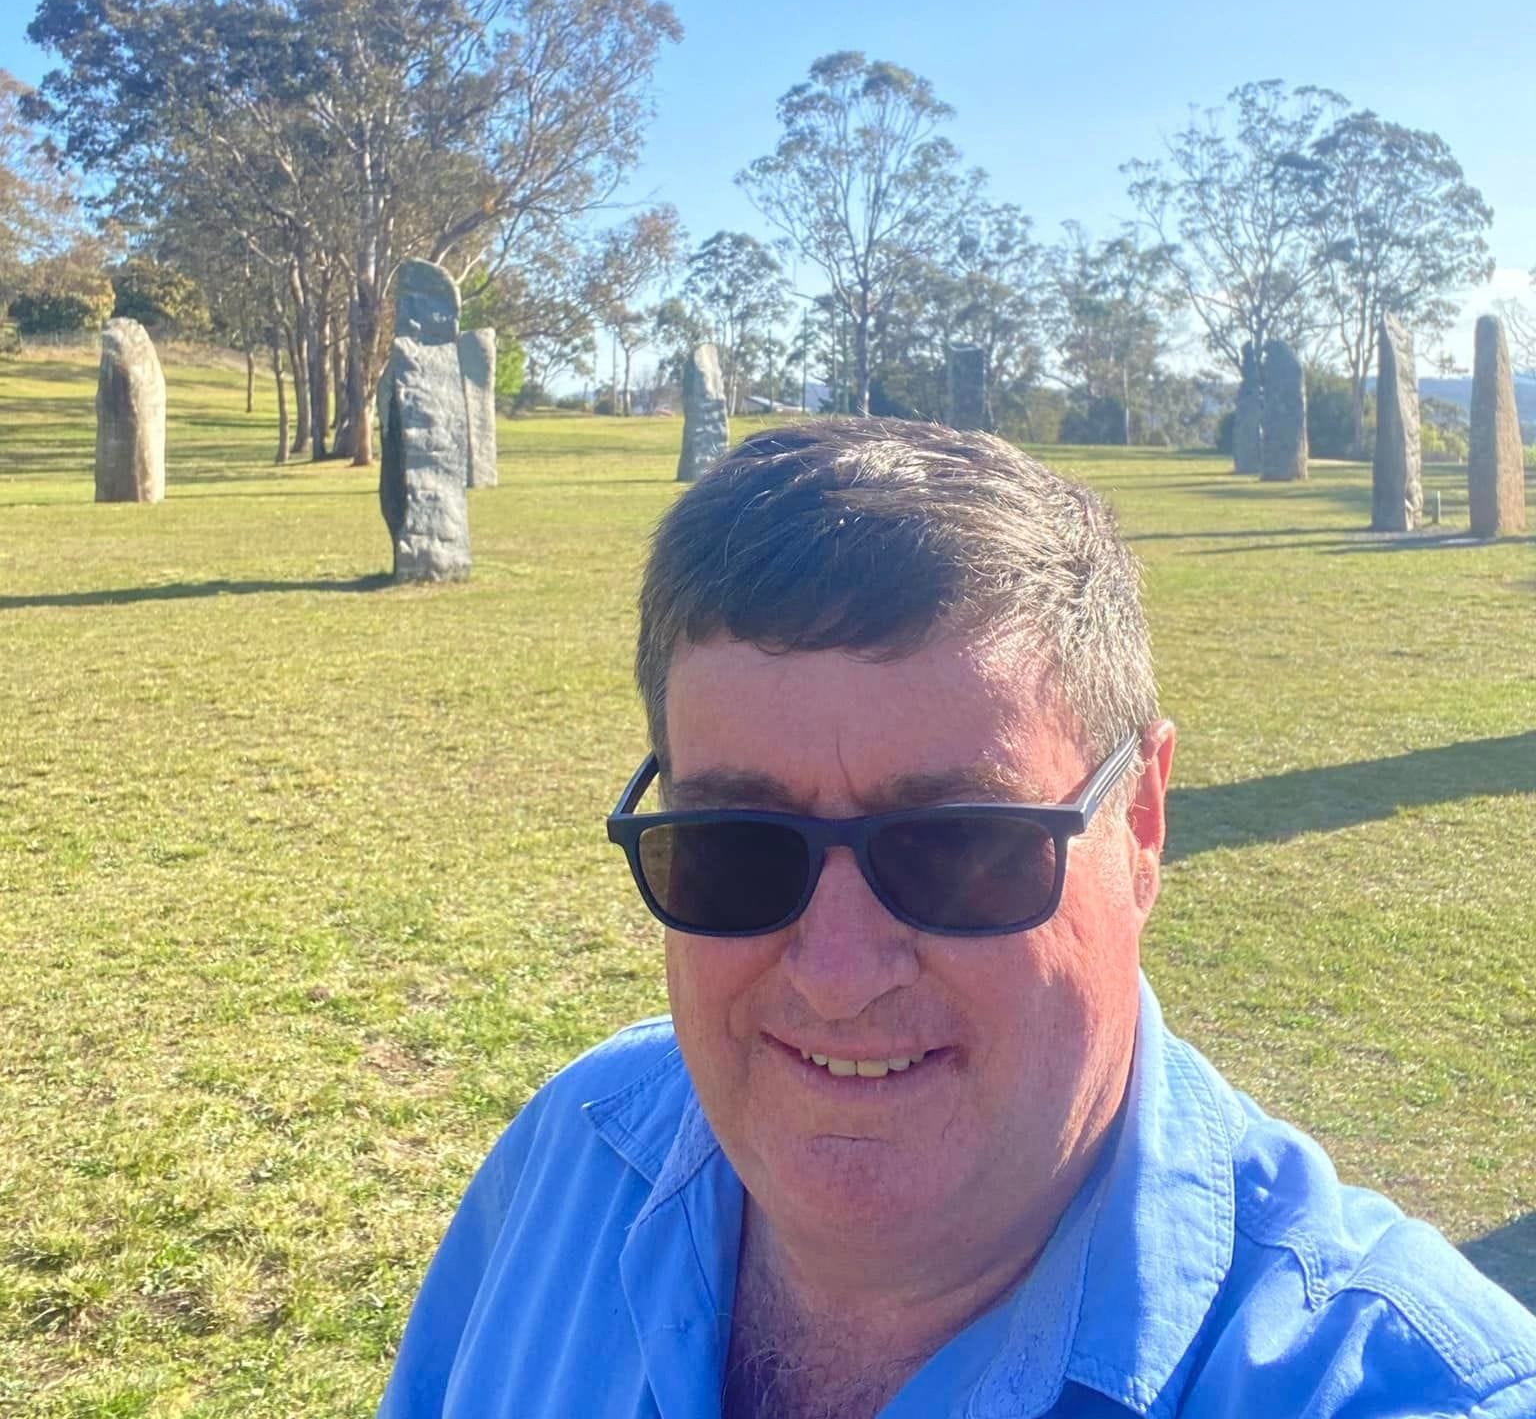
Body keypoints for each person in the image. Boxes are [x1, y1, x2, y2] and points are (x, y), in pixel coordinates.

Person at [377, 419, 1536, 1418]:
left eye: (957, 848)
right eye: (738, 846)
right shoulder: (570, 1157)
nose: (837, 972)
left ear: (1138, 823)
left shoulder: (1404, 1384)